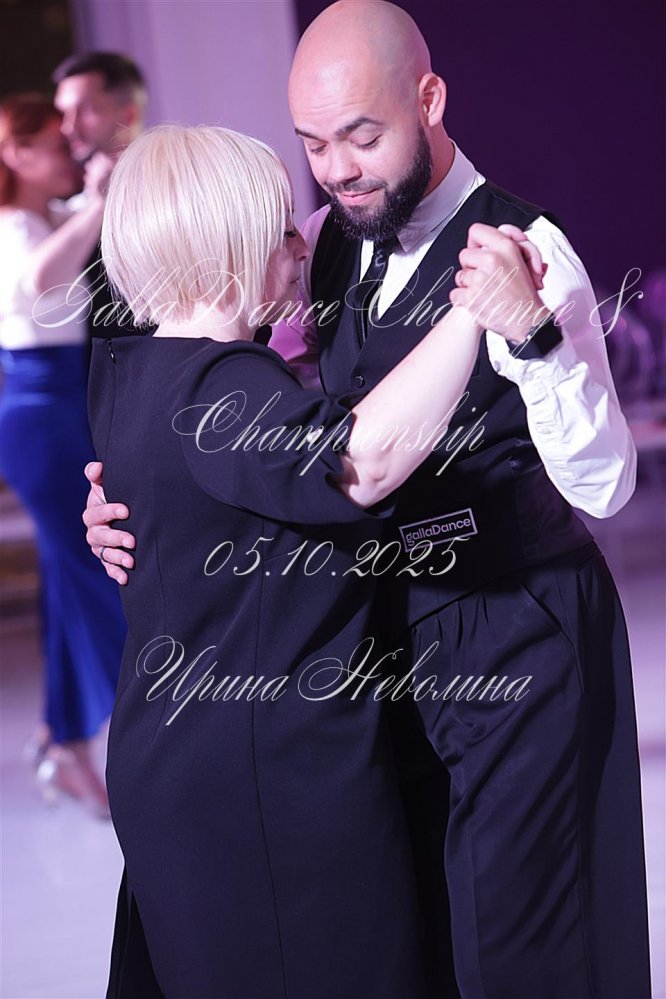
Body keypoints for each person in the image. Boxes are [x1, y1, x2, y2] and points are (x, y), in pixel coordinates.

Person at [84, 3, 652, 996]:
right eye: (313, 144)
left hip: (511, 625)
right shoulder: (320, 242)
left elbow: (605, 483)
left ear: (428, 100)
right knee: (413, 937)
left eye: (360, 136)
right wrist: (134, 500)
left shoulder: (529, 248)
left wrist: (528, 334)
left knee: (520, 949)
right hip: (374, 640)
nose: (338, 169)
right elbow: (235, 400)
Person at [0, 94, 126, 815]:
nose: (67, 156)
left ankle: (63, 742)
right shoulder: (11, 226)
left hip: (66, 405)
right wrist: (96, 204)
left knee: (65, 586)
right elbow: (40, 283)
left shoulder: (48, 215)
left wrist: (102, 187)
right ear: (16, 154)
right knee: (95, 579)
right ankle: (152, 716)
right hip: (39, 419)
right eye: (53, 145)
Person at [53, 51, 148, 340]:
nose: (68, 127)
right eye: (62, 113)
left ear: (129, 115)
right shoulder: (70, 200)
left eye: (84, 111)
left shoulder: (172, 190)